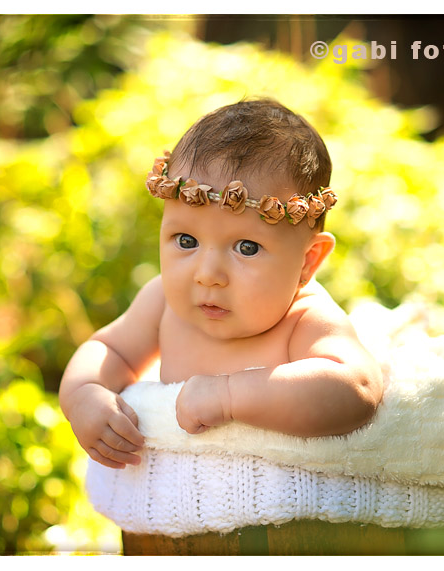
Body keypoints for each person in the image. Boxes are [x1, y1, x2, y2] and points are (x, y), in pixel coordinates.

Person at [59, 99, 383, 470]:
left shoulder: (304, 318)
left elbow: (356, 387)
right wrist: (84, 395)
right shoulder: (163, 301)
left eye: (247, 248)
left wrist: (230, 396)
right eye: (186, 240)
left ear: (307, 261)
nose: (208, 273)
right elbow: (108, 350)